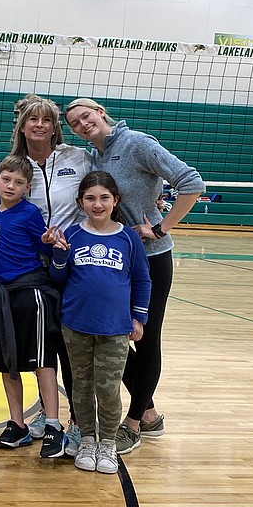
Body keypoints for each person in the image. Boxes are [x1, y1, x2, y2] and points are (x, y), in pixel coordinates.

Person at [64, 97, 204, 454]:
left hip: (152, 257)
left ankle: (134, 421)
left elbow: (191, 181)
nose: (82, 124)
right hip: (112, 258)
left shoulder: (137, 143)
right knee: (113, 335)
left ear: (100, 111)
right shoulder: (94, 156)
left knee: (145, 336)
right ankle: (151, 413)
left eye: (86, 115)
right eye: (75, 123)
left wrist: (160, 227)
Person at [49, 172, 151, 474]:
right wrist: (58, 255)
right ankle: (88, 439)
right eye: (90, 198)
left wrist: (139, 317)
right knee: (81, 387)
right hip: (76, 325)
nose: (97, 204)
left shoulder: (128, 238)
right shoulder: (73, 234)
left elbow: (142, 279)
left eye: (104, 197)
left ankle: (107, 441)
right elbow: (59, 278)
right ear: (81, 202)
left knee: (107, 390)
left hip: (115, 328)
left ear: (115, 200)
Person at [9, 95, 94, 452]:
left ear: (55, 126)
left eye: (47, 119)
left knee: (72, 342)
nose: (40, 125)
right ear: (23, 126)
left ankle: (78, 421)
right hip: (33, 267)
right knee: (43, 344)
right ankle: (48, 409)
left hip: (72, 263)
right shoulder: (14, 165)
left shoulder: (79, 157)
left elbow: (106, 189)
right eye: (33, 119)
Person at [0, 155, 65, 456]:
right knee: (8, 363)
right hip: (3, 295)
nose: (11, 186)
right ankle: (17, 424)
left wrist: (46, 240)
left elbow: (43, 246)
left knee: (42, 360)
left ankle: (54, 426)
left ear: (27, 188)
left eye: (18, 183)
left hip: (32, 294)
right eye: (6, 180)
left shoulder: (29, 213)